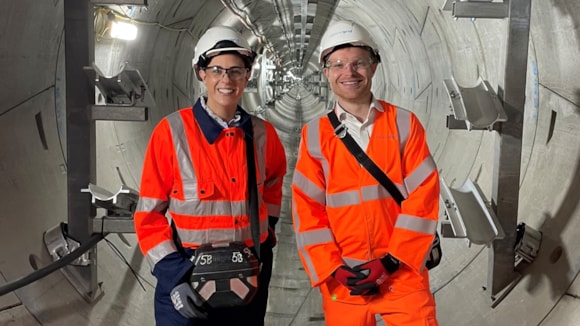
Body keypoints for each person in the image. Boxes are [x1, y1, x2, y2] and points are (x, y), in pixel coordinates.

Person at [134, 25, 287, 325]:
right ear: (200, 73)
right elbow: (148, 218)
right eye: (216, 70)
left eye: (236, 70)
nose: (226, 80)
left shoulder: (262, 135)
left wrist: (263, 240)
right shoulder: (171, 133)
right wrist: (173, 278)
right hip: (187, 278)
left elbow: (272, 185)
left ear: (247, 75)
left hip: (247, 279)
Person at [291, 20, 440, 325]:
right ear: (326, 72)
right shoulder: (315, 136)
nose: (349, 72)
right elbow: (307, 211)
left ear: (373, 67)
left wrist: (391, 260)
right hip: (345, 282)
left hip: (403, 277)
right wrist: (332, 269)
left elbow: (423, 198)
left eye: (359, 63)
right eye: (338, 64)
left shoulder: (403, 124)